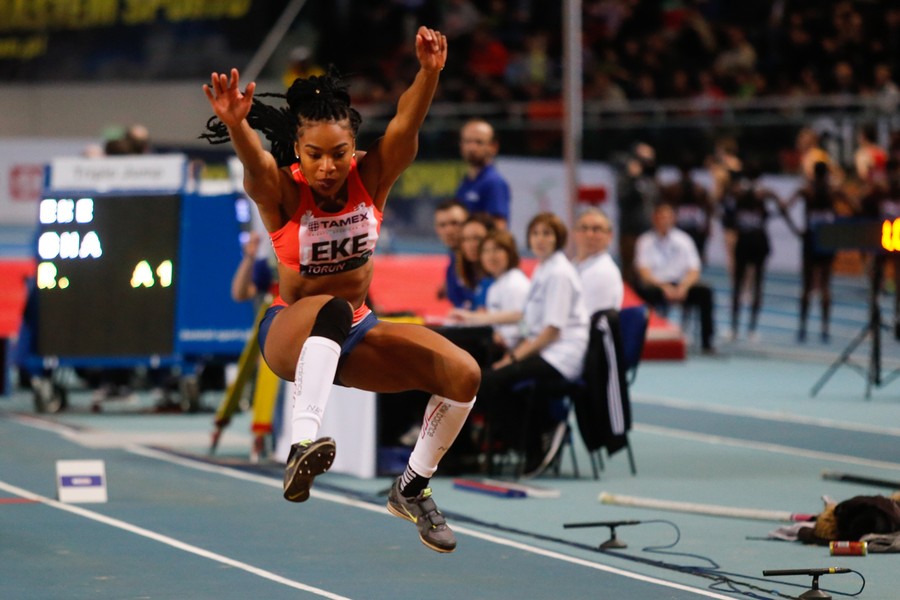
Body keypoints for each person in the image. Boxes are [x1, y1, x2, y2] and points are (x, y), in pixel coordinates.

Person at [201, 26, 478, 554]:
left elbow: (406, 123)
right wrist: (238, 127)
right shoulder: (282, 190)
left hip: (357, 331)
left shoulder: (370, 178)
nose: (327, 168)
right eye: (314, 155)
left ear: (354, 149)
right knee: (330, 306)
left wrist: (429, 73)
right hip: (290, 331)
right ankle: (300, 443)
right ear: (298, 154)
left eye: (339, 153)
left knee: (464, 374)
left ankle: (412, 486)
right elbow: (256, 165)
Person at [452, 212, 588, 474]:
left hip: (561, 356)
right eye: (535, 234)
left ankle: (533, 446)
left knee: (490, 380)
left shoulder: (558, 273)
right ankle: (527, 442)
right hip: (548, 350)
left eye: (546, 234)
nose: (540, 239)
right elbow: (524, 316)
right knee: (495, 380)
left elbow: (551, 331)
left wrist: (513, 358)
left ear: (558, 238)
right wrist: (472, 317)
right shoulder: (543, 268)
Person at [634, 202, 715, 353]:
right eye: (662, 217)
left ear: (674, 219)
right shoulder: (645, 241)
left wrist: (684, 287)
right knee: (641, 292)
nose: (665, 220)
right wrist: (664, 287)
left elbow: (694, 269)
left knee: (705, 292)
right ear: (655, 219)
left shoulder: (684, 240)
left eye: (669, 217)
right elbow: (644, 273)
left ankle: (707, 343)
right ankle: (641, 339)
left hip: (681, 285)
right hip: (657, 286)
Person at [720, 165, 783, 341]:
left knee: (744, 285)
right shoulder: (759, 192)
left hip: (751, 242)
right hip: (754, 241)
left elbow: (723, 205)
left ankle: (741, 328)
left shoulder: (744, 192)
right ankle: (746, 329)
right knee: (751, 285)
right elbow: (783, 205)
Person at [785, 161, 846, 343]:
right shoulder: (833, 191)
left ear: (813, 173)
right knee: (826, 285)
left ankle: (802, 328)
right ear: (827, 174)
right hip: (827, 238)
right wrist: (837, 225)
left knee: (807, 285)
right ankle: (824, 329)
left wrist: (796, 230)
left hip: (810, 238)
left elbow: (784, 207)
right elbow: (857, 207)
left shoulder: (806, 190)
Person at [449, 228, 530, 356]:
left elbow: (522, 319)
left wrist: (471, 317)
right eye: (486, 251)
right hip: (498, 343)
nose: (491, 256)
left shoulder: (516, 283)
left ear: (510, 253)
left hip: (512, 350)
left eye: (497, 250)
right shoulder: (495, 286)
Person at [455, 118, 511, 229]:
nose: (472, 148)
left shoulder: (494, 182)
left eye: (479, 142)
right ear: (461, 145)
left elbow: (498, 227)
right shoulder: (466, 181)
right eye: (467, 141)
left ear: (493, 147)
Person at [572, 208, 623, 315]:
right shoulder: (572, 265)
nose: (589, 234)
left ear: (609, 236)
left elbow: (588, 319)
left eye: (596, 229)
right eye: (584, 228)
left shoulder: (605, 272)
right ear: (575, 234)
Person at [433, 199, 470, 306]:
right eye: (442, 225)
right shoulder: (454, 259)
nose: (448, 231)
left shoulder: (483, 262)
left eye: (455, 223)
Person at [454, 214, 495, 309]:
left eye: (477, 238)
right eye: (466, 239)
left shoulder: (500, 279)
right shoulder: (465, 274)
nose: (471, 245)